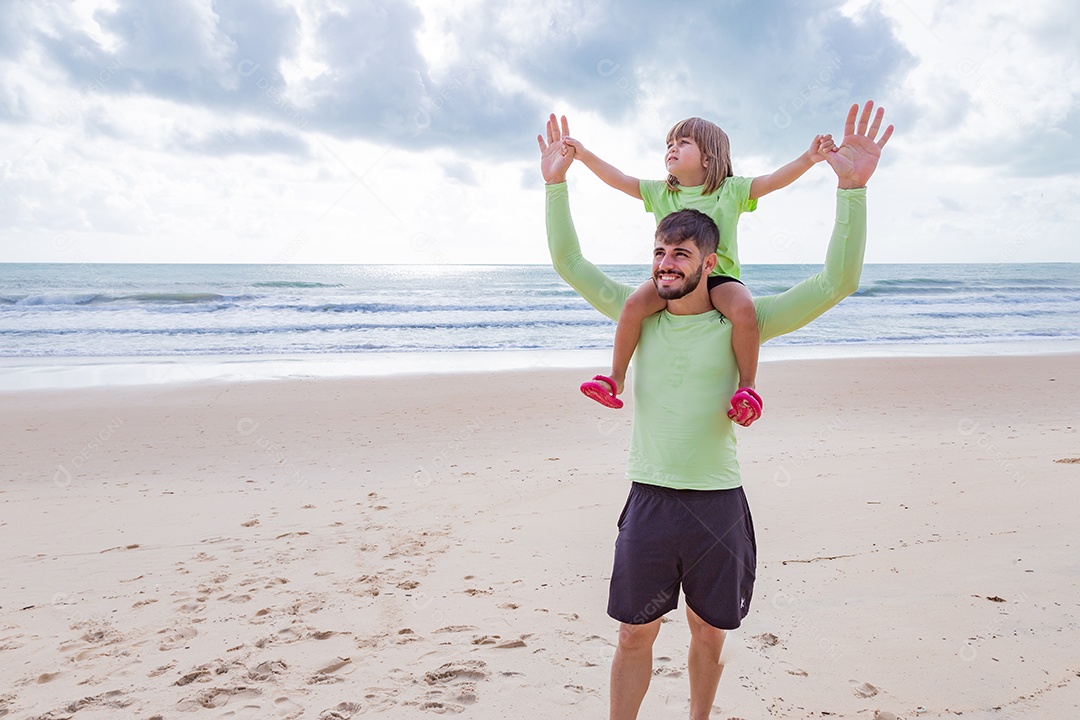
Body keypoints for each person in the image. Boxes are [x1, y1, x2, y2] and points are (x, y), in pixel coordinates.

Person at [537, 100, 892, 720]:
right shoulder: (639, 315)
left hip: (718, 503)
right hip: (648, 501)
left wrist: (851, 192)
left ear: (709, 260)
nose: (665, 266)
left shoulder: (741, 321)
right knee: (632, 635)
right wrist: (555, 183)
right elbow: (570, 264)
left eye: (679, 256)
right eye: (659, 255)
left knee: (709, 633)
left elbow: (837, 281)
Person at [562, 116, 835, 425]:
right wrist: (583, 156)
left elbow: (773, 180)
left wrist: (809, 159)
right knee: (633, 304)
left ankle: (747, 387)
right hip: (671, 278)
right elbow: (618, 178)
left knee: (744, 309)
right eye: (669, 144)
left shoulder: (731, 190)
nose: (671, 149)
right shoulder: (660, 193)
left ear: (708, 157)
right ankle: (615, 378)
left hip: (719, 278)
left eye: (682, 143)